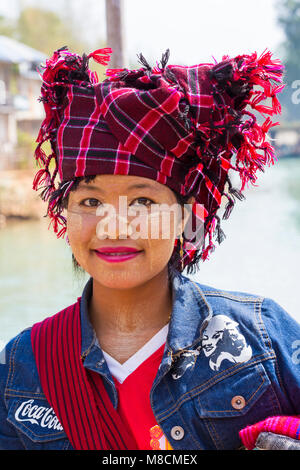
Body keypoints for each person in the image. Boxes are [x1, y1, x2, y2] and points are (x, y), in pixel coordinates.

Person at [0, 45, 299, 451]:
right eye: (90, 202)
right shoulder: (24, 367)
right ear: (64, 214)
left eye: (143, 202)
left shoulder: (262, 339)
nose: (113, 226)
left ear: (184, 216)